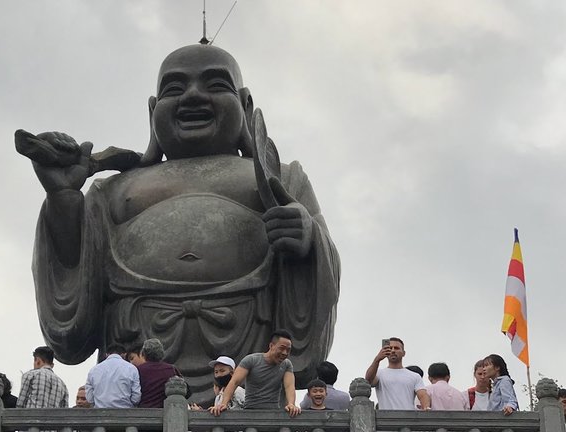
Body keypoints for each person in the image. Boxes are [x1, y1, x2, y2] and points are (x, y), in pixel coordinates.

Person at [17, 42, 341, 405]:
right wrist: (63, 201)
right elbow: (75, 268)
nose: (192, 96)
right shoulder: (114, 188)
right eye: (175, 88)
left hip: (247, 333)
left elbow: (323, 262)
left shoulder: (279, 178)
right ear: (153, 111)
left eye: (215, 84)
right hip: (134, 338)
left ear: (246, 106)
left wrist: (307, 239)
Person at [210, 330, 300, 417]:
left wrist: (291, 404)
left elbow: (289, 386)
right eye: (281, 348)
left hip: (273, 413)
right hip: (251, 412)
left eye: (288, 350)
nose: (285, 353)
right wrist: (223, 403)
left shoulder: (286, 365)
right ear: (271, 346)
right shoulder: (251, 360)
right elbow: (234, 382)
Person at [364, 337, 430, 410]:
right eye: (390, 348)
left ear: (403, 353)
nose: (393, 350)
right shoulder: (379, 373)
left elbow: (423, 395)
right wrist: (377, 359)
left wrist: (426, 407)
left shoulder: (414, 376)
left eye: (396, 348)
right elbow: (368, 381)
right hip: (386, 419)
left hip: (408, 419)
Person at [85, 343, 141, 408]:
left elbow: (90, 398)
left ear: (107, 355)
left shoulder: (94, 370)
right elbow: (136, 397)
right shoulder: (132, 369)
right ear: (124, 354)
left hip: (101, 412)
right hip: (125, 413)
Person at [136, 339, 181, 408]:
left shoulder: (138, 370)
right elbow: (186, 392)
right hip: (165, 411)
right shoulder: (171, 370)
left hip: (143, 411)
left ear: (143, 354)